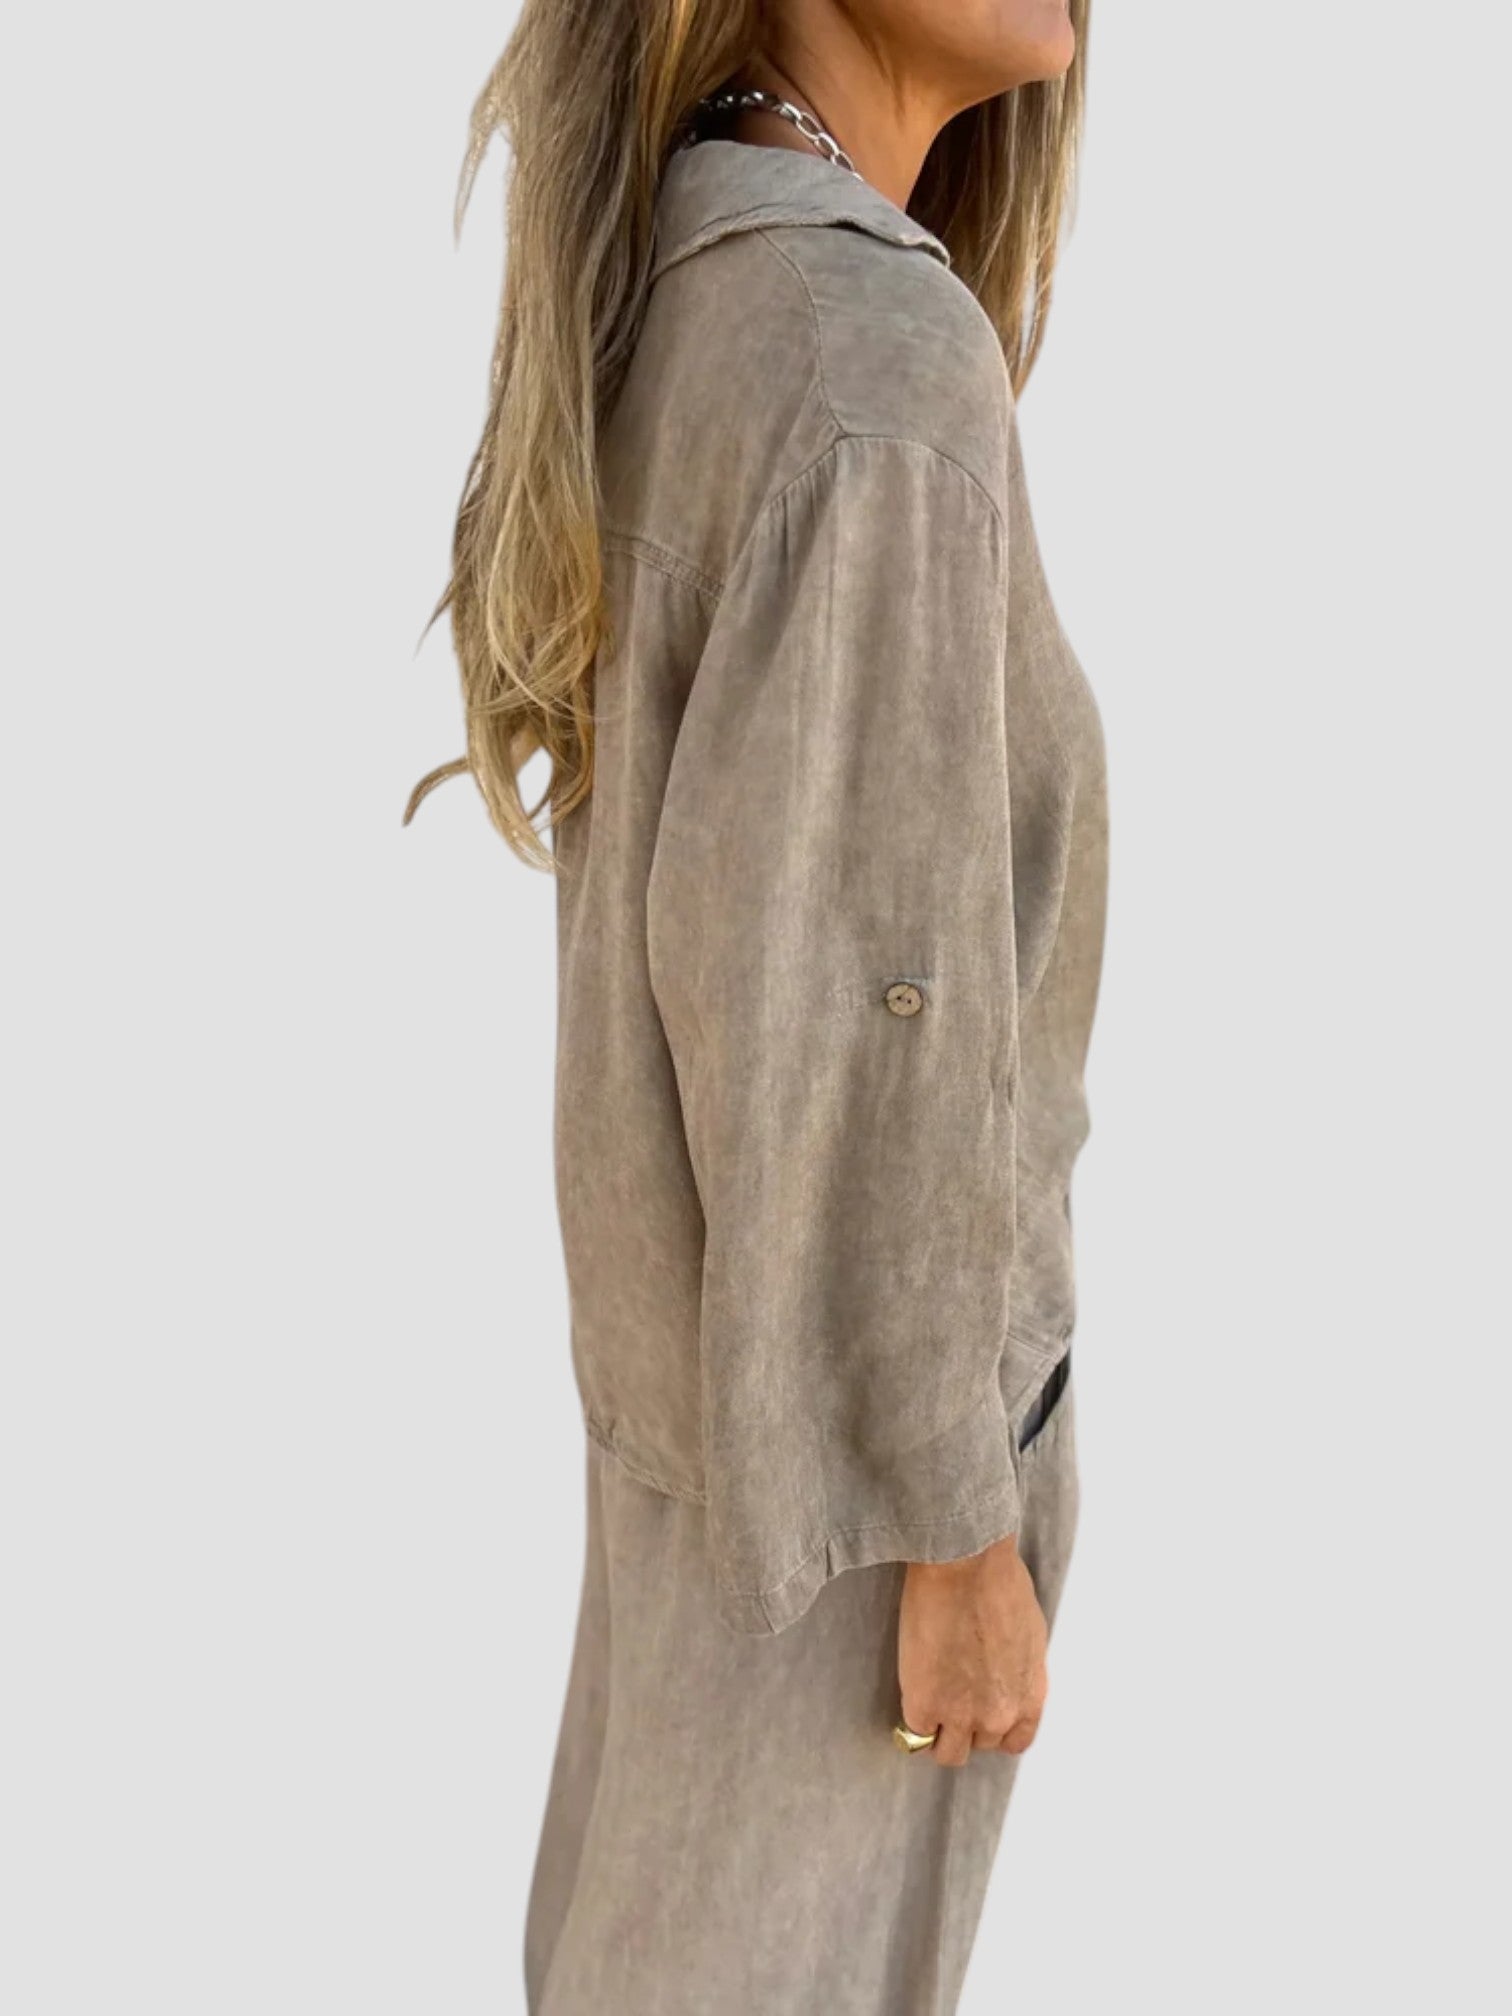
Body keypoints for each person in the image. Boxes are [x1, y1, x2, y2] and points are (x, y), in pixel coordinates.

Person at [408, 3, 1107, 2008]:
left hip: (711, 1453)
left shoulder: (703, 286)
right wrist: (955, 1529)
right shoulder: (870, 355)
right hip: (847, 1516)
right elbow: (872, 1005)